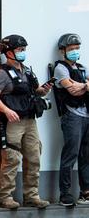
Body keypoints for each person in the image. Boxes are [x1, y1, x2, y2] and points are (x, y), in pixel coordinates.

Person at [0, 35, 51, 210]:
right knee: (12, 159)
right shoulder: (3, 73)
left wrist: (43, 90)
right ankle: (6, 197)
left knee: (34, 157)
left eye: (24, 50)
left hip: (30, 120)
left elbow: (35, 92)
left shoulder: (27, 71)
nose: (23, 53)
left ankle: (32, 196)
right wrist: (7, 111)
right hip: (12, 122)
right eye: (19, 50)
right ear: (8, 52)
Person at [53, 33, 89, 207]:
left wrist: (82, 86)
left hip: (86, 115)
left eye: (77, 48)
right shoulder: (60, 68)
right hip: (71, 115)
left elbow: (78, 88)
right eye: (71, 49)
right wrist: (86, 86)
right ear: (63, 51)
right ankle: (65, 194)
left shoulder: (82, 68)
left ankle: (85, 192)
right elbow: (72, 91)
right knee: (71, 154)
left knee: (86, 155)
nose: (75, 51)